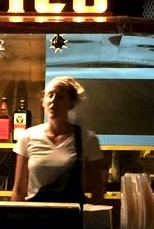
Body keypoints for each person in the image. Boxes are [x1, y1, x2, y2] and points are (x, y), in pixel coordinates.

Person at [11, 76, 105, 204]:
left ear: (71, 103)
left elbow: (97, 190)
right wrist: (14, 214)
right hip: (36, 214)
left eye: (60, 97)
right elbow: (19, 190)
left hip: (71, 214)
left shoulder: (87, 139)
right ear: (43, 101)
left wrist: (93, 215)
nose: (53, 101)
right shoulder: (27, 137)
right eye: (50, 95)